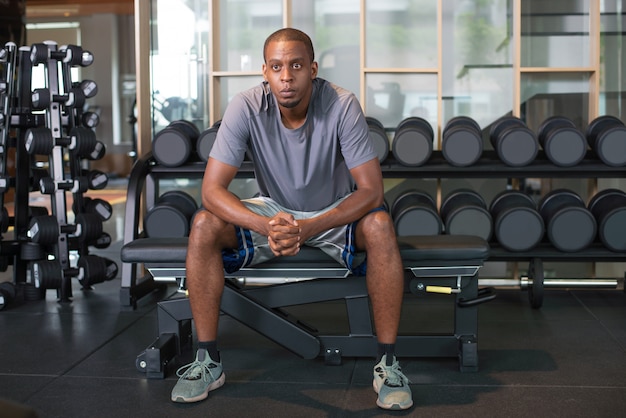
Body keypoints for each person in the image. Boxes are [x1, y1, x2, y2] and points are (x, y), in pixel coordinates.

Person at [170, 27, 413, 411]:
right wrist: (265, 226)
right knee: (203, 223)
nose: (287, 76)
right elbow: (211, 190)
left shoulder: (341, 104)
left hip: (332, 211)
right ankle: (207, 361)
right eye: (277, 67)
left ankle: (387, 363)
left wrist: (311, 227)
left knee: (380, 224)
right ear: (265, 72)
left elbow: (371, 191)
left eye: (296, 65)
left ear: (312, 69)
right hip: (273, 211)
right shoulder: (246, 105)